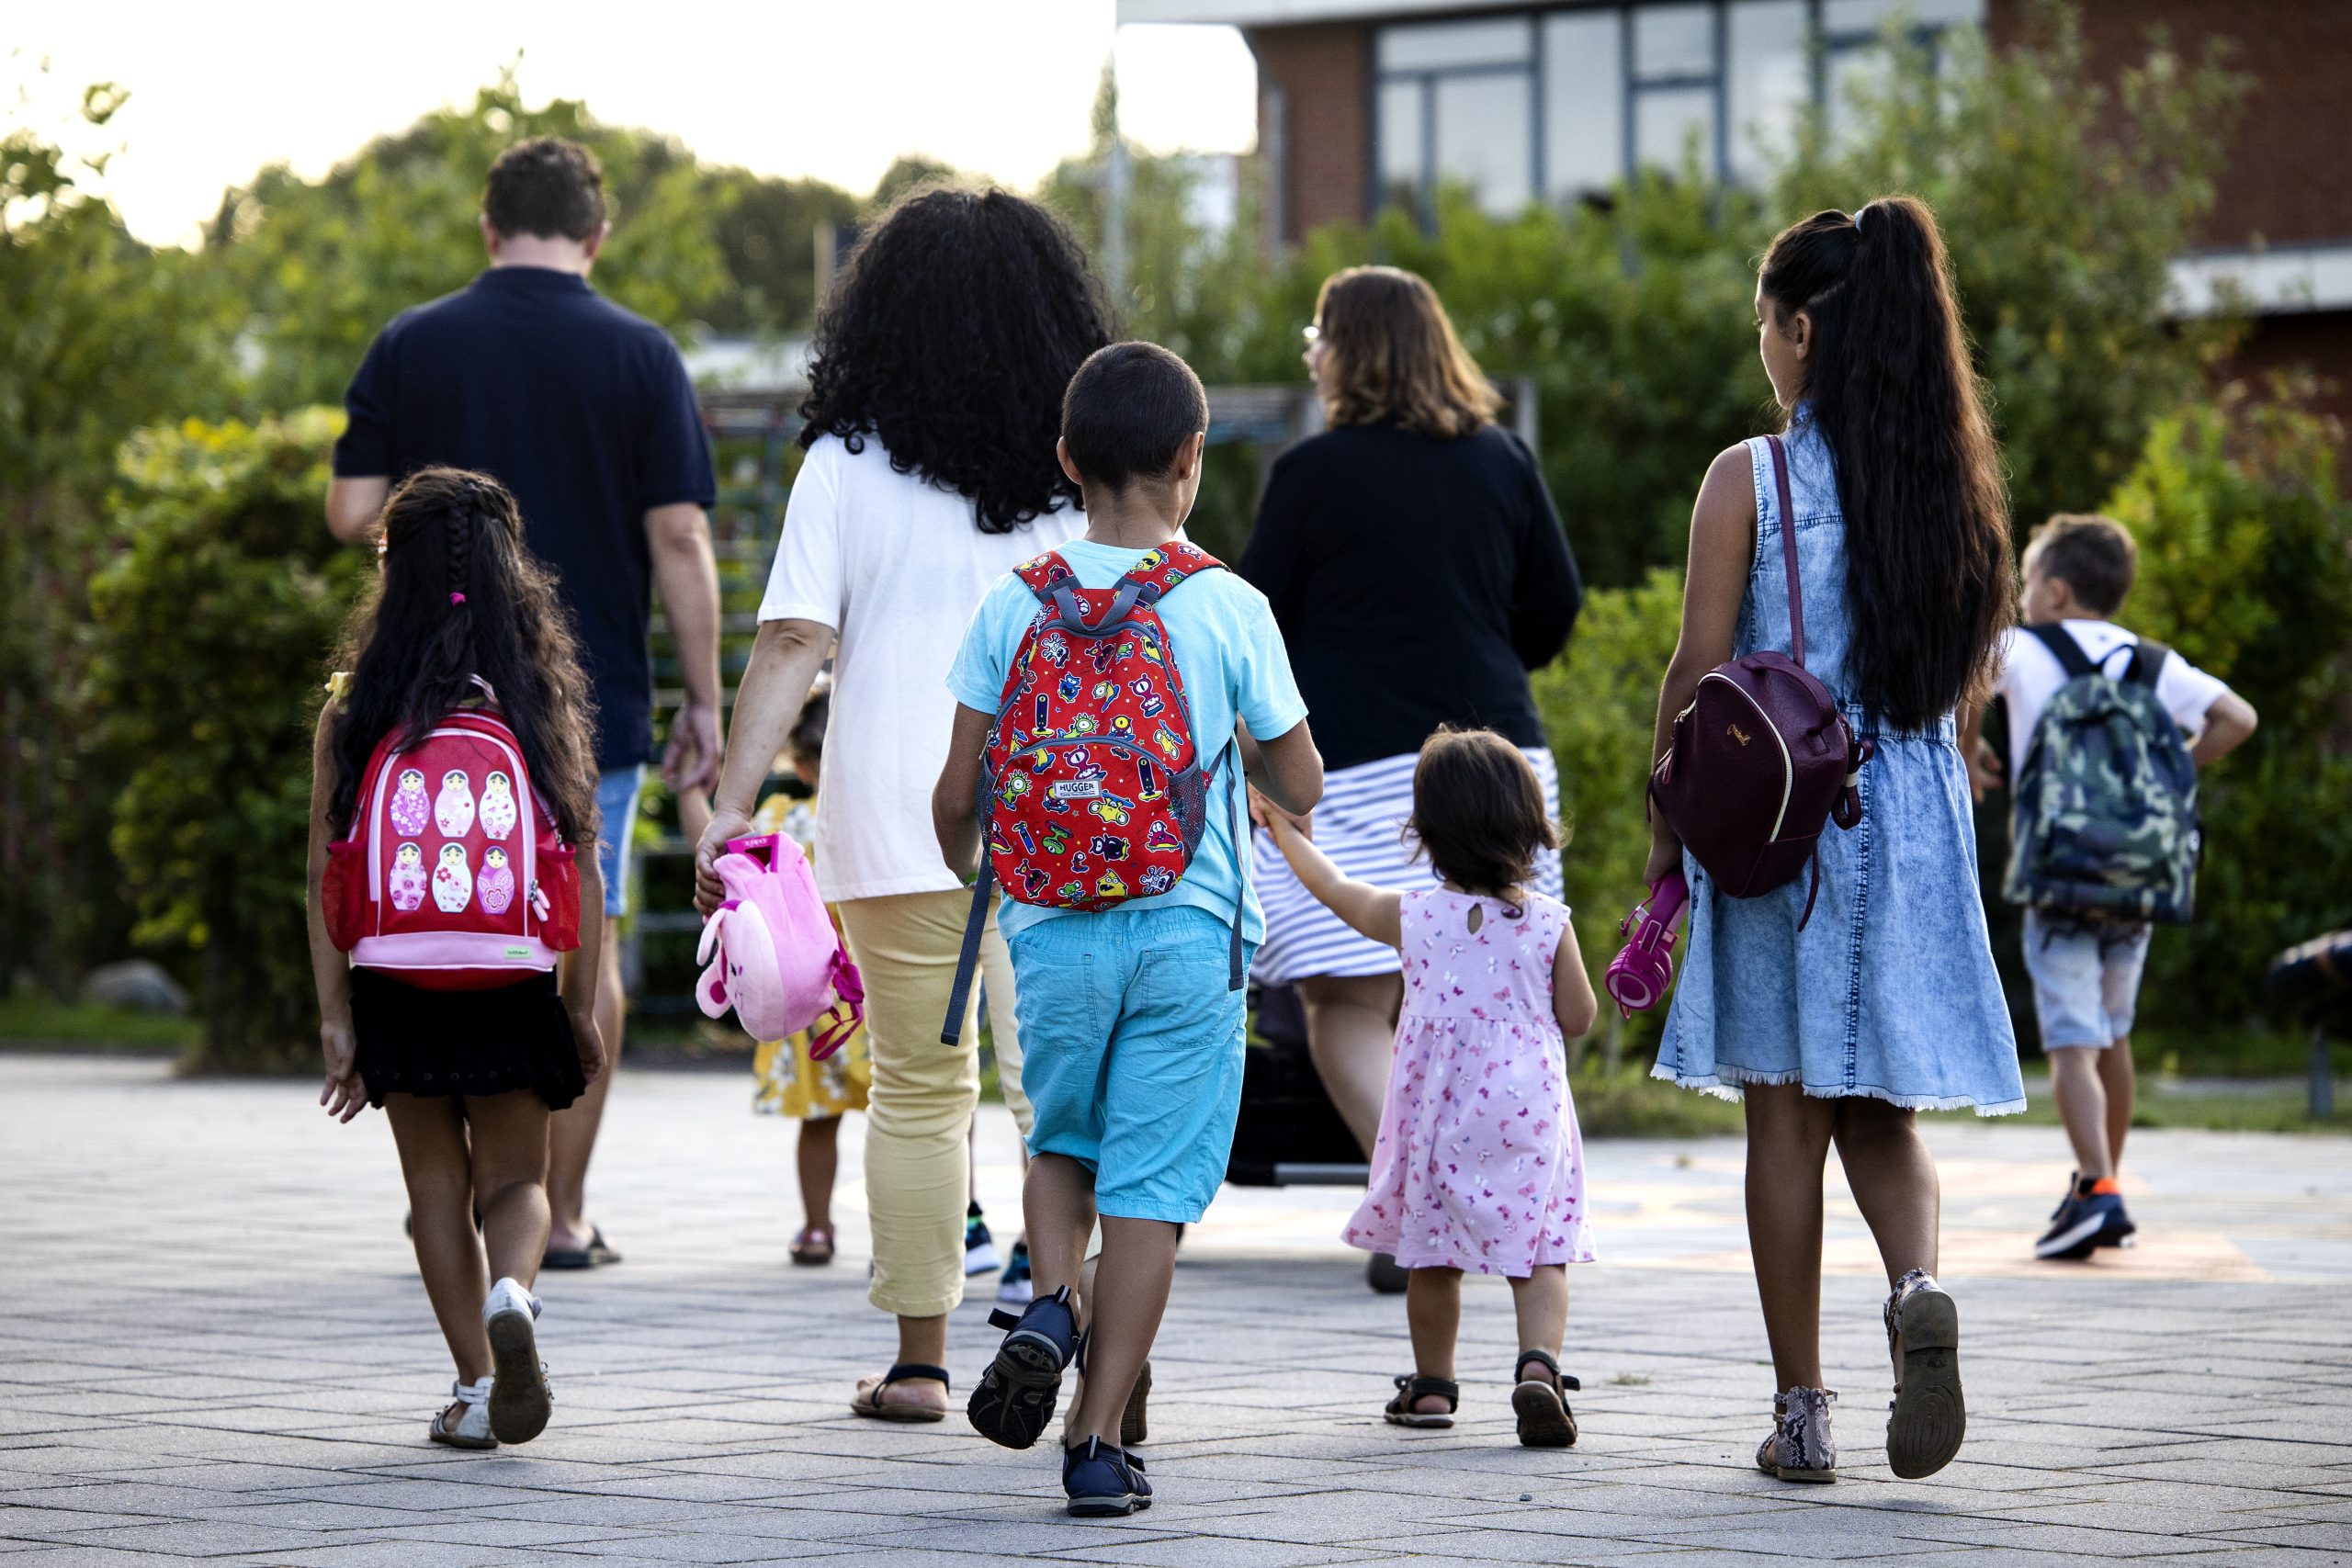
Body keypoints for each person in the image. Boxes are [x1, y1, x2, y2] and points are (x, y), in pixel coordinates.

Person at [694, 186, 1104, 1421]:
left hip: (889, 806)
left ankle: (922, 1360)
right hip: (1056, 812)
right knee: (1056, 1087)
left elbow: (793, 638)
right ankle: (1062, 1310)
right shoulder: (1091, 459)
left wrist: (729, 803)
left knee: (922, 1091)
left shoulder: (843, 461)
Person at [1646, 198, 2020, 1484]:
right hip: (1912, 812)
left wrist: (1664, 832)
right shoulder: (1950, 486)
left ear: (1802, 330)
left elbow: (1699, 670)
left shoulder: (1749, 477)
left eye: (1766, 325)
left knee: (1783, 1117)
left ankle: (1803, 1407)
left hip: (1786, 816)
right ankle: (1916, 1281)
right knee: (1883, 1106)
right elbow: (1960, 684)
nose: (1764, 347)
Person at [936, 341, 1323, 1517]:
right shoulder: (1228, 604)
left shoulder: (1014, 602)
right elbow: (1299, 779)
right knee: (1150, 1192)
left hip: (1048, 930)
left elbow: (956, 797)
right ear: (1191, 460)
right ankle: (1097, 1444)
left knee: (1062, 1144)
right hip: (1188, 929)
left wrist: (983, 869)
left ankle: (1050, 1303)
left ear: (1065, 460)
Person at [326, 137, 722, 1273]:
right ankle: (554, 1209)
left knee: (439, 904)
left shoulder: (413, 341)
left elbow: (352, 509)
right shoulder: (643, 356)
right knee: (573, 935)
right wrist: (703, 699)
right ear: (596, 235)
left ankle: (446, 1186)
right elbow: (683, 537)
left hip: (419, 693)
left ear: (488, 227)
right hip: (578, 701)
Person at [1238, 265, 1582, 1294]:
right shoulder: (1503, 461)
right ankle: (1472, 1202)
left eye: (1318, 332)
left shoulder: (1310, 474)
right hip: (1494, 758)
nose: (1309, 347)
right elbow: (1552, 615)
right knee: (1497, 985)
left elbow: (1258, 623)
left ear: (1349, 350)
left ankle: (1413, 1205)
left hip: (1346, 763)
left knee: (1345, 997)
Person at [305, 468, 608, 1450]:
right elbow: (584, 865)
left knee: (432, 1187)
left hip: (396, 976)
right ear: (509, 571)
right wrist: (577, 1005)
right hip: (511, 972)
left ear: (389, 572)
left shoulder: (355, 713)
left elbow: (323, 875)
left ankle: (478, 1389)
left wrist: (337, 1018)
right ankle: (515, 1291)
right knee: (517, 1184)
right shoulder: (534, 701)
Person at [1258, 728, 1597, 1447]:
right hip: (1527, 1114)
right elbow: (1578, 1015)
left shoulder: (1415, 915)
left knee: (1432, 1254)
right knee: (1538, 1252)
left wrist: (1285, 832)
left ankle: (1434, 1387)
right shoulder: (1548, 924)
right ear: (1533, 826)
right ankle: (1538, 1365)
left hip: (1440, 1120)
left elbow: (1335, 890)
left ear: (1424, 831)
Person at [1964, 514, 2257, 1260]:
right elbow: (2237, 718)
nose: (2025, 598)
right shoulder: (2152, 662)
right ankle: (2105, 1180)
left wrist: (1970, 753)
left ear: (2055, 591)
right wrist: (2166, 778)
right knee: (2113, 1033)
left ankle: (2097, 1188)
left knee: (2070, 1038)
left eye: (2029, 585)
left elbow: (1959, 686)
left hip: (2060, 876)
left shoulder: (2022, 648)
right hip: (2137, 878)